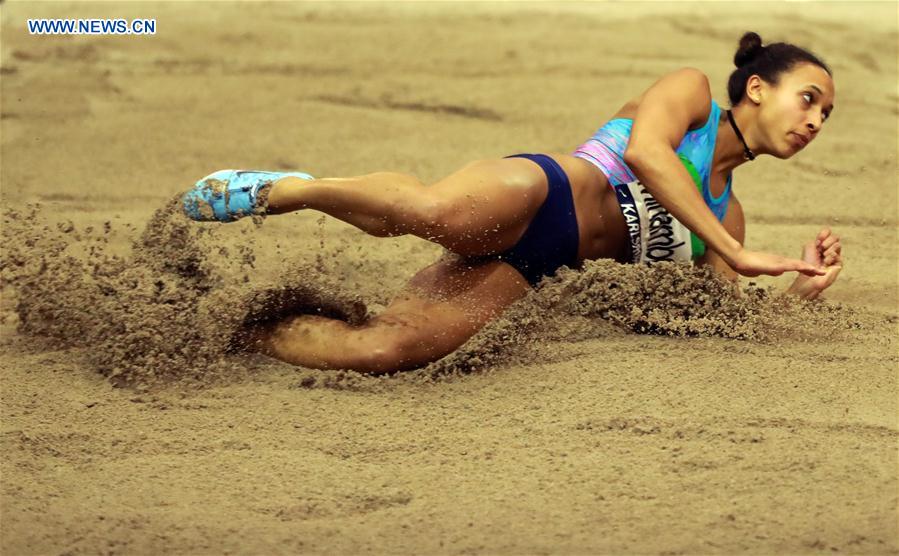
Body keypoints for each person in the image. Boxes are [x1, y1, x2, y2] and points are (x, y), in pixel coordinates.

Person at [181, 31, 843, 374]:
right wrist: (732, 249)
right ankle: (291, 189)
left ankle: (228, 335)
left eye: (826, 115)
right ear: (755, 88)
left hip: (535, 263)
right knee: (433, 214)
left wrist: (800, 286)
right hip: (542, 189)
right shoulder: (691, 95)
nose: (813, 121)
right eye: (807, 98)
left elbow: (723, 315)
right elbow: (645, 154)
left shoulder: (726, 215)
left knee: (388, 351)